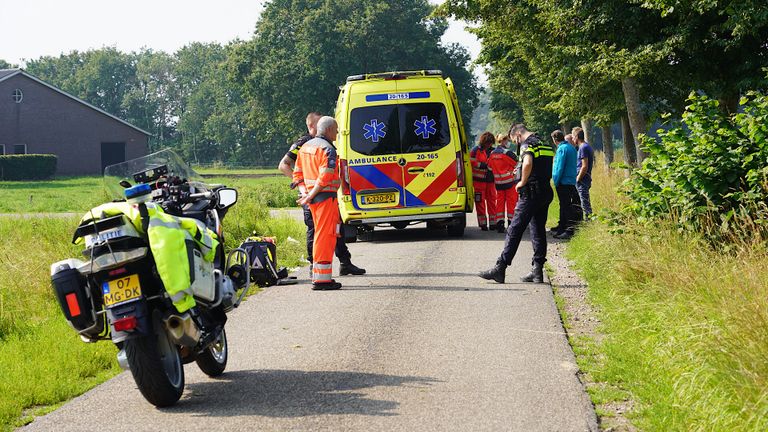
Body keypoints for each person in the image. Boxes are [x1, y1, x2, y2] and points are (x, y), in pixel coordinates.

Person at [278, 112, 365, 277]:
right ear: (312, 126)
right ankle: (316, 267)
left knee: (336, 229)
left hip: (323, 194)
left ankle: (344, 262)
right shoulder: (304, 143)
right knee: (317, 232)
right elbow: (284, 165)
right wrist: (305, 190)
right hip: (315, 195)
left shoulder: (321, 143)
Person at [479, 123, 554, 284]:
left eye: (515, 140)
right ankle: (537, 271)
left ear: (518, 135)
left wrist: (522, 181)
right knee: (538, 230)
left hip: (530, 193)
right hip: (545, 191)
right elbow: (541, 166)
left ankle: (500, 268)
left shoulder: (528, 144)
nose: (516, 143)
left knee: (514, 229)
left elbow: (527, 163)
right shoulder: (544, 144)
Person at [292, 116, 347, 290]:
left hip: (314, 201)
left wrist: (306, 194)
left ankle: (319, 277)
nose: (337, 133)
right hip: (324, 199)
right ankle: (322, 280)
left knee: (320, 235)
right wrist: (310, 195)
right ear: (329, 130)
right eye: (336, 130)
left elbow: (297, 176)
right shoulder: (327, 149)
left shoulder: (305, 147)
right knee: (326, 237)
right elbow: (324, 177)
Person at [550, 130, 582, 239]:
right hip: (571, 180)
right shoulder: (571, 148)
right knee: (566, 205)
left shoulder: (561, 149)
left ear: (555, 139)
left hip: (563, 181)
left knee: (565, 206)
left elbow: (559, 167)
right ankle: (562, 227)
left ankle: (568, 230)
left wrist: (556, 180)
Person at [488, 133, 519, 233]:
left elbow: (489, 167)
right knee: (511, 203)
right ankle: (511, 224)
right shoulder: (508, 153)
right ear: (503, 141)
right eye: (507, 140)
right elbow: (518, 163)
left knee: (499, 203)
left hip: (498, 183)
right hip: (510, 182)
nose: (508, 142)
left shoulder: (492, 154)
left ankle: (500, 224)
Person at [469, 132, 498, 230]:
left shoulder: (493, 151)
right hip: (478, 181)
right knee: (480, 202)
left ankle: (493, 223)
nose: (489, 145)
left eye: (491, 143)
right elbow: (471, 162)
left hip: (490, 181)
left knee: (492, 201)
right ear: (483, 142)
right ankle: (483, 224)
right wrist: (483, 165)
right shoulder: (475, 151)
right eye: (488, 143)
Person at [574, 129, 594, 218]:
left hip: (583, 179)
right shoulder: (586, 146)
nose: (572, 138)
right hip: (584, 178)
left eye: (573, 136)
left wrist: (578, 178)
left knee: (584, 201)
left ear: (577, 137)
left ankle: (588, 220)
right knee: (583, 200)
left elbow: (584, 166)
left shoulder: (583, 147)